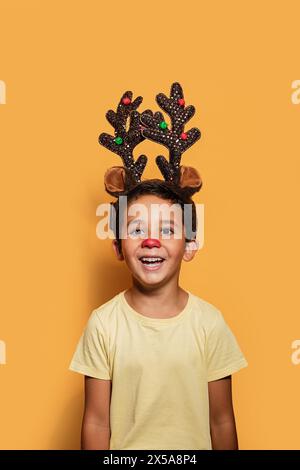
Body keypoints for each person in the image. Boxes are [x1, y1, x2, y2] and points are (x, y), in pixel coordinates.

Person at [69, 83, 248, 450]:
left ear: (191, 245)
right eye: (137, 229)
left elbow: (222, 419)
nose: (151, 240)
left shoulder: (209, 323)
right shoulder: (104, 324)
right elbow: (96, 422)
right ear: (118, 246)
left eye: (167, 229)